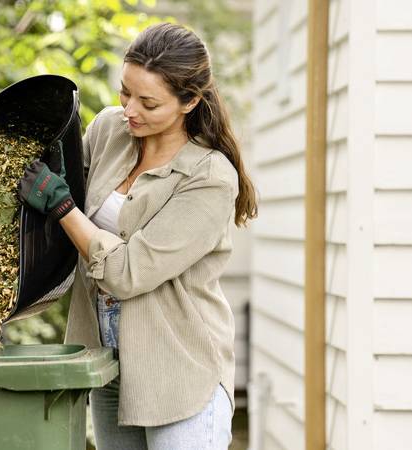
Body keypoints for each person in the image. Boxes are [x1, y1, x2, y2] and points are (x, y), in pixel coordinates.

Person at [18, 23, 257, 450]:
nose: (130, 109)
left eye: (148, 102)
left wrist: (61, 206)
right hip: (105, 361)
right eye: (125, 92)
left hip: (178, 370)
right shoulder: (109, 130)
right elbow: (59, 215)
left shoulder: (209, 177)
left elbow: (128, 272)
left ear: (190, 101)